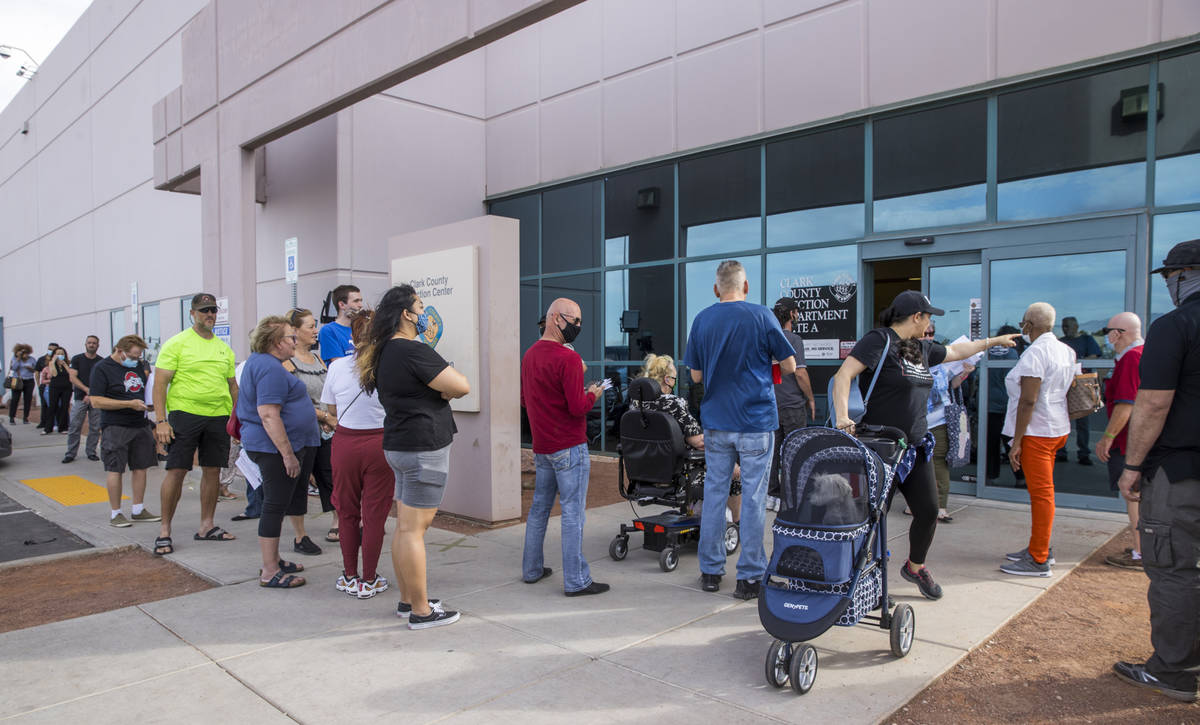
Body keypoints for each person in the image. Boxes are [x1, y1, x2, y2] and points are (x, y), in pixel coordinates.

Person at [831, 290, 1018, 599]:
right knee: (871, 518)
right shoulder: (879, 341)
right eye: (929, 317)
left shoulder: (920, 348)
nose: (930, 323)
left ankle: (915, 567)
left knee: (929, 510)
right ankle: (860, 577)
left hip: (914, 446)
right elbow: (843, 376)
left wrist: (992, 342)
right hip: (881, 448)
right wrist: (841, 416)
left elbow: (958, 352)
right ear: (916, 317)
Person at [1112, 239, 1200, 703]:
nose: (1168, 285)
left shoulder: (1177, 325)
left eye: (1170, 277)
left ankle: (1174, 670)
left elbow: (1153, 401)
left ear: (1186, 275)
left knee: (1174, 568)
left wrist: (1132, 466)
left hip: (1182, 471)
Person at [684, 260, 796, 599]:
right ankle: (749, 577)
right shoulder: (762, 316)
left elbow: (696, 376)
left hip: (717, 422)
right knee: (753, 497)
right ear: (745, 287)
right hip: (756, 421)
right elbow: (790, 365)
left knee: (716, 494)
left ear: (717, 288)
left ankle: (710, 572)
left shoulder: (702, 319)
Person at [360, 284, 469, 628]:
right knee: (413, 531)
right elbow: (461, 385)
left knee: (406, 528)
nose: (425, 314)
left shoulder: (385, 351)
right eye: (421, 308)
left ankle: (409, 601)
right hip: (424, 449)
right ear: (407, 314)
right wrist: (446, 394)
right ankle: (422, 611)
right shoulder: (411, 350)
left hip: (400, 446)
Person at [521, 297, 608, 598]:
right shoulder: (569, 359)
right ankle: (577, 580)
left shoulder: (530, 355)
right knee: (573, 513)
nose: (578, 327)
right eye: (575, 321)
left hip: (543, 446)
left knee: (539, 509)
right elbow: (577, 406)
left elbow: (525, 400)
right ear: (556, 318)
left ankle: (531, 569)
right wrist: (593, 393)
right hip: (570, 447)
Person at [152, 293, 238, 556]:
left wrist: (238, 417)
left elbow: (232, 386)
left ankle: (207, 526)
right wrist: (161, 421)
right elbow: (160, 385)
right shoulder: (177, 344)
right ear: (192, 314)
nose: (209, 315)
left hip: (218, 417)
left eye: (213, 310)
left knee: (213, 471)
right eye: (204, 311)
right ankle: (164, 530)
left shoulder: (223, 348)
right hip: (184, 415)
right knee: (177, 471)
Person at [237, 316, 320, 589]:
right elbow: (269, 414)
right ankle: (270, 570)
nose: (294, 342)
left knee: (277, 504)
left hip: (271, 445)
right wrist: (287, 454)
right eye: (290, 337)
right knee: (274, 505)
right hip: (272, 448)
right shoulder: (270, 368)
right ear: (276, 342)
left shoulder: (263, 363)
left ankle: (273, 560)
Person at [999, 302, 1077, 578]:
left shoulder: (1036, 353)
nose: (1023, 329)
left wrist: (1017, 442)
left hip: (1037, 432)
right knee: (1043, 492)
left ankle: (1039, 558)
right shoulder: (1066, 350)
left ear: (1030, 325)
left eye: (1023, 324)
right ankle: (1039, 547)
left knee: (1042, 495)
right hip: (1057, 428)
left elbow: (1028, 401)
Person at [321, 311, 393, 599]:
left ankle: (349, 574)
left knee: (347, 512)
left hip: (345, 443)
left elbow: (332, 411)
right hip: (380, 443)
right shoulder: (387, 366)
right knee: (374, 515)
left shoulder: (337, 367)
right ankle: (369, 577)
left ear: (351, 337)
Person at [87, 335, 161, 528]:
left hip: (140, 423)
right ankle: (116, 513)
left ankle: (138, 509)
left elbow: (142, 389)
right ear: (120, 351)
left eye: (138, 357)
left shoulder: (136, 366)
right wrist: (128, 403)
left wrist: (149, 405)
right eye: (133, 356)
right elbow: (96, 400)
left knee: (141, 467)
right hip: (115, 426)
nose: (136, 360)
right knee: (115, 469)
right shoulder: (102, 369)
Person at [283, 308, 337, 548]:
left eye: (315, 325)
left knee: (331, 476)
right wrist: (325, 415)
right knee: (300, 481)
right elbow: (294, 401)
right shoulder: (287, 362)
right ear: (294, 331)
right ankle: (300, 535)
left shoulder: (318, 359)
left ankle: (339, 523)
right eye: (310, 326)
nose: (316, 330)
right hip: (303, 429)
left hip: (326, 429)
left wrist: (330, 417)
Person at [1094, 312, 1144, 569]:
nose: (1107, 337)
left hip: (1129, 441)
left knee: (1133, 495)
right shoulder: (1140, 354)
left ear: (1120, 333)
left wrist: (1108, 437)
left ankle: (1140, 553)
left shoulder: (1131, 359)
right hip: (1139, 437)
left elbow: (1126, 404)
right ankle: (1142, 547)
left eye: (1108, 331)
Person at [767, 297, 815, 512]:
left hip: (771, 405)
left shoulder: (767, 338)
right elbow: (800, 372)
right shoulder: (793, 339)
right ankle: (792, 495)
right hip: (793, 405)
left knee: (772, 452)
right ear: (793, 314)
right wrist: (811, 399)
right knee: (795, 451)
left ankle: (771, 495)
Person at [923, 322, 974, 523]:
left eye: (931, 333)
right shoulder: (907, 355)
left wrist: (965, 372)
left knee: (939, 463)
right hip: (915, 421)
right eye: (924, 332)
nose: (927, 336)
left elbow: (951, 385)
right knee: (917, 464)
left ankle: (940, 507)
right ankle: (918, 503)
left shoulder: (942, 355)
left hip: (939, 420)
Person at [1058, 316, 1101, 466]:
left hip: (1083, 382)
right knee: (1062, 419)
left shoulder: (1087, 340)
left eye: (1067, 326)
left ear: (1076, 326)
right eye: (1063, 326)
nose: (1065, 329)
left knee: (1083, 421)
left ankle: (1084, 453)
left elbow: (1094, 357)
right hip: (1064, 383)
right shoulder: (1061, 342)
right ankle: (1061, 451)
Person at [985, 325, 1021, 484]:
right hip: (1007, 404)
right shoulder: (1013, 354)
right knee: (1011, 444)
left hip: (989, 404)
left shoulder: (988, 354)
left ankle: (991, 477)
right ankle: (1021, 478)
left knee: (991, 445)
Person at [63, 335, 102, 463]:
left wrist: (92, 394)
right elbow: (72, 377)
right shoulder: (77, 359)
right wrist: (86, 390)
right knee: (75, 425)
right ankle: (70, 453)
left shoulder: (101, 361)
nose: (91, 345)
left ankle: (91, 452)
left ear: (98, 345)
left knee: (95, 427)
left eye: (94, 343)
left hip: (95, 399)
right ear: (85, 344)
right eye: (89, 343)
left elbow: (102, 381)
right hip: (80, 398)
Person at [317, 284, 363, 365]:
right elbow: (339, 365)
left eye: (361, 301)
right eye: (356, 301)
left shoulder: (361, 328)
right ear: (341, 305)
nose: (360, 305)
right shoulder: (329, 331)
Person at [41, 346, 73, 434]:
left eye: (62, 354)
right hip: (55, 387)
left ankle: (63, 427)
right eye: (58, 354)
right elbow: (54, 374)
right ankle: (48, 428)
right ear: (54, 355)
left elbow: (71, 374)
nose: (60, 355)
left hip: (67, 387)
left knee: (65, 406)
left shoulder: (67, 363)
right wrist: (53, 361)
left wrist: (65, 364)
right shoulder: (51, 364)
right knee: (52, 406)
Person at [8, 344, 36, 424]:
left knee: (28, 399)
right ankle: (12, 418)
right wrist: (18, 358)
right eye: (22, 352)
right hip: (16, 380)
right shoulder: (15, 359)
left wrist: (30, 368)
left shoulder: (32, 359)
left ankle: (25, 418)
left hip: (29, 381)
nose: (25, 354)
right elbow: (13, 368)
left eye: (26, 352)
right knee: (15, 399)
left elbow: (35, 370)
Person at [34, 343, 58, 421]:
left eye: (53, 349)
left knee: (54, 404)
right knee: (44, 404)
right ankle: (43, 422)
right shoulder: (41, 359)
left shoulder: (59, 360)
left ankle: (54, 422)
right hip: (44, 385)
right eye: (49, 349)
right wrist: (39, 384)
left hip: (55, 385)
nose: (51, 351)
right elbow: (37, 372)